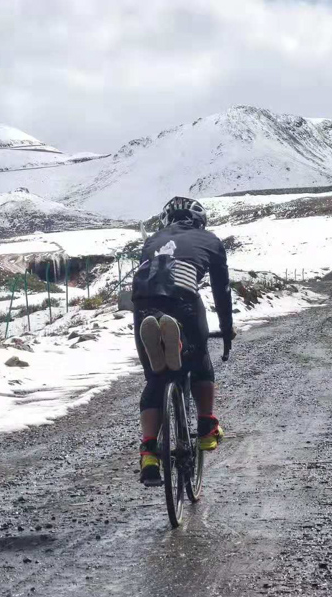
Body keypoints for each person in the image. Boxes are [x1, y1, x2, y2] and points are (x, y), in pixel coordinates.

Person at [131, 196, 234, 486]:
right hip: (184, 298)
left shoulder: (151, 240)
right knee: (200, 359)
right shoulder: (210, 240)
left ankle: (149, 453)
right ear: (200, 221)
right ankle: (206, 427)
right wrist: (226, 331)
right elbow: (222, 291)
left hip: (143, 302)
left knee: (155, 378)